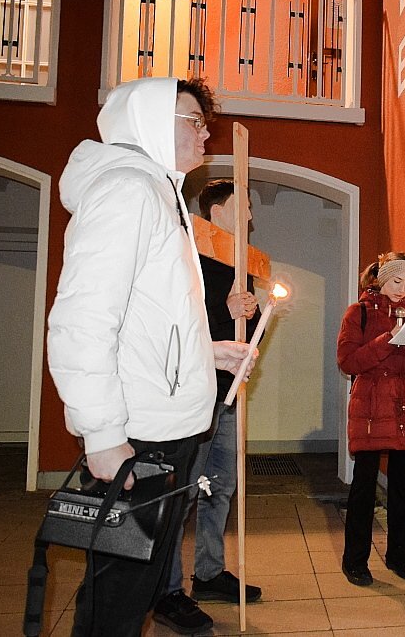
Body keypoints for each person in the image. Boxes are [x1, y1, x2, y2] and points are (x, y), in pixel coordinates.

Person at [47, 76, 254, 636]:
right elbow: (83, 319)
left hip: (166, 429)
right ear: (150, 121)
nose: (205, 133)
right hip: (140, 437)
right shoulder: (127, 190)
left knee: (135, 589)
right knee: (117, 597)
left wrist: (207, 353)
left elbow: (151, 319)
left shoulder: (158, 193)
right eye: (195, 121)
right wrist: (102, 435)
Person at [154, 180, 263, 632]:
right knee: (182, 492)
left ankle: (209, 571)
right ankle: (166, 591)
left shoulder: (241, 261)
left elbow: (242, 330)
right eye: (244, 206)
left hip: (228, 391)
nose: (250, 215)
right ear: (217, 211)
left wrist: (250, 311)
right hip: (194, 391)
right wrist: (224, 307)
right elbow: (180, 322)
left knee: (220, 486)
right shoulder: (190, 255)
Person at [337, 252, 405, 586]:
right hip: (370, 409)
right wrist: (388, 340)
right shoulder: (359, 312)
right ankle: (355, 561)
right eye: (397, 281)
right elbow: (347, 361)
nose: (402, 289)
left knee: (399, 489)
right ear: (382, 279)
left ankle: (399, 557)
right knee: (364, 490)